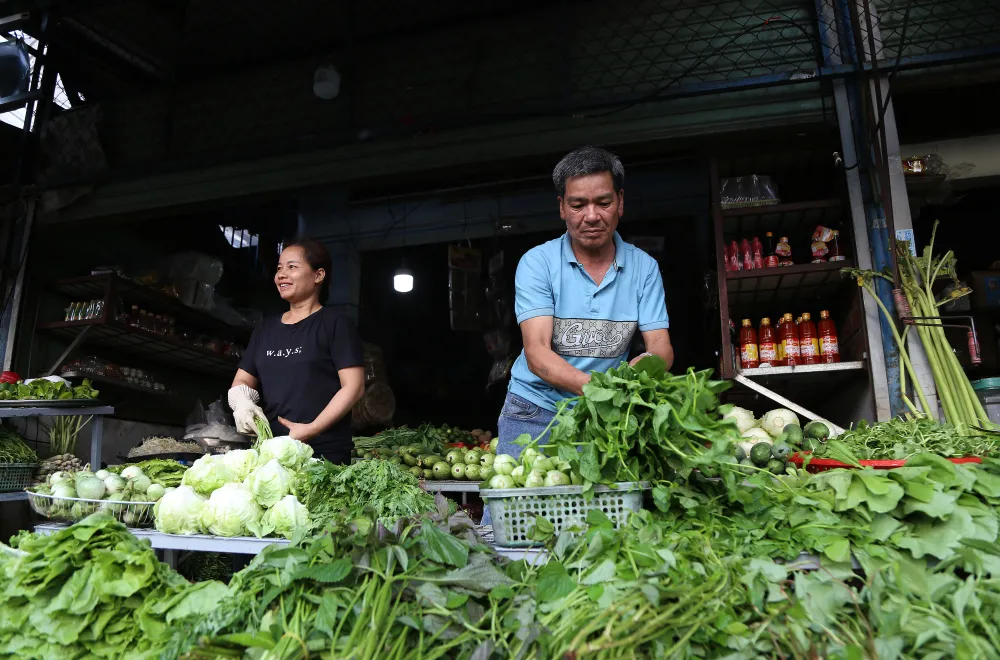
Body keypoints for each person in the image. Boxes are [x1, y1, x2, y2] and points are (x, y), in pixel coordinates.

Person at [499, 145, 674, 462]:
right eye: (578, 205)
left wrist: (645, 368)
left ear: (620, 202)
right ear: (562, 207)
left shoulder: (644, 268)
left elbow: (661, 346)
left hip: (603, 413)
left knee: (597, 509)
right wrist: (603, 389)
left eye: (603, 202)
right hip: (534, 407)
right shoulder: (537, 263)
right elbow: (537, 355)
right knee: (513, 506)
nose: (591, 216)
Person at [228, 238, 365, 464]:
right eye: (279, 268)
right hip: (271, 452)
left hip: (323, 454)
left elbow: (354, 387)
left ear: (318, 275)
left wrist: (311, 429)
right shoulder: (265, 329)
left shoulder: (335, 323)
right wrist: (242, 403)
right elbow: (241, 380)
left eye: (292, 267)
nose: (281, 274)